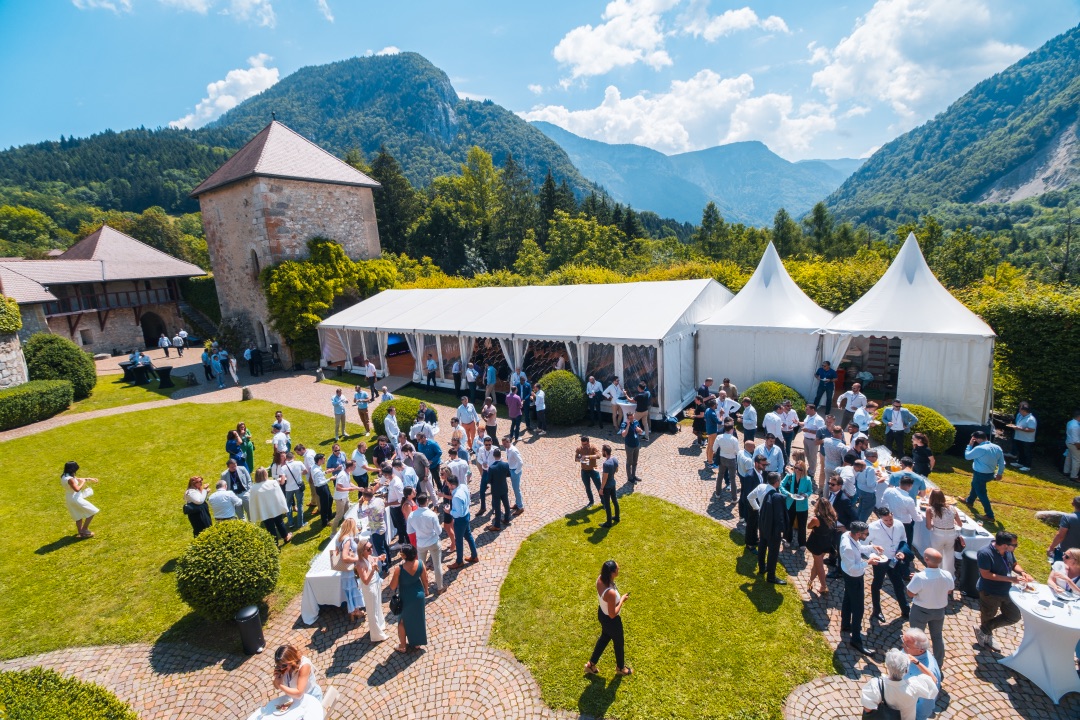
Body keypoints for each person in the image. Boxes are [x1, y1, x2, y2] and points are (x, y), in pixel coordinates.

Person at [974, 530, 1033, 652]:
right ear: (1005, 545)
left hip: (1007, 591)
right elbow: (986, 575)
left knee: (1013, 616)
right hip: (990, 592)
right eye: (1014, 545)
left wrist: (1022, 572)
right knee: (988, 615)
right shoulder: (985, 553)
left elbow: (1014, 564)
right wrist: (1011, 579)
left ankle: (984, 629)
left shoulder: (1008, 552)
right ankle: (987, 635)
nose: (1016, 547)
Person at [840, 520, 884, 655]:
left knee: (847, 599)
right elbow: (853, 568)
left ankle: (846, 624)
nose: (867, 535)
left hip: (850, 575)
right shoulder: (847, 547)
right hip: (853, 577)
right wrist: (868, 563)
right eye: (866, 534)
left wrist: (872, 547)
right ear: (858, 533)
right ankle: (856, 639)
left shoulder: (849, 535)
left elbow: (859, 548)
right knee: (859, 609)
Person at [859, 648, 939, 720]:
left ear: (888, 666)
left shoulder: (876, 685)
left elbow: (868, 709)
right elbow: (934, 680)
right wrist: (916, 662)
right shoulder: (914, 686)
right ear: (906, 671)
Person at [907, 548, 954, 669]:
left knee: (916, 638)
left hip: (920, 611)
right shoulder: (947, 575)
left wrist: (915, 580)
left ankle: (916, 661)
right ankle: (938, 663)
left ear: (926, 559)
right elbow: (949, 591)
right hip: (939, 611)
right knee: (937, 637)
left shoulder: (919, 577)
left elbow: (910, 593)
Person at [583, 560, 632, 676]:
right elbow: (612, 614)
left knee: (605, 637)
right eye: (617, 569)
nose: (618, 570)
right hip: (612, 621)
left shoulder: (600, 579)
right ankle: (621, 668)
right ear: (612, 572)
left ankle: (590, 665)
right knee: (619, 643)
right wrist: (622, 601)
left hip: (602, 614)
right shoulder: (610, 593)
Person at [868, 507, 911, 622]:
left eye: (891, 519)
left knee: (899, 584)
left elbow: (904, 540)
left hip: (894, 560)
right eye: (886, 520)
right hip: (881, 560)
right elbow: (864, 543)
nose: (889, 522)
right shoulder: (873, 527)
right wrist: (872, 556)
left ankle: (905, 609)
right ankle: (877, 611)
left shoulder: (899, 524)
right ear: (880, 518)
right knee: (877, 584)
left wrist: (901, 551)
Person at [389, 543, 429, 652]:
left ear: (404, 556)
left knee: (402, 621)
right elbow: (425, 579)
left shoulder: (399, 569)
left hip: (406, 598)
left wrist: (395, 575)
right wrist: (426, 590)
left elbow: (392, 586)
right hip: (419, 596)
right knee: (418, 619)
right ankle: (416, 643)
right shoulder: (420, 563)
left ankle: (402, 646)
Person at [963, 430, 1006, 523]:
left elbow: (967, 456)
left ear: (977, 439)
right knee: (975, 485)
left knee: (982, 494)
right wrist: (1000, 473)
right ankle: (969, 501)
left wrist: (970, 445)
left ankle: (990, 515)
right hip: (990, 474)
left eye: (974, 439)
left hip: (980, 474)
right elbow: (1002, 462)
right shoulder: (997, 447)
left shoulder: (980, 448)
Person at [408, 493, 444, 594]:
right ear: (427, 501)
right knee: (437, 565)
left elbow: (409, 531)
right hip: (433, 542)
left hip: (421, 544)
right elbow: (439, 531)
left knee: (421, 568)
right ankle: (440, 587)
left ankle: (425, 589)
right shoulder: (432, 515)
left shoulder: (412, 515)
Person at [757, 472, 788, 585]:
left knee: (762, 545)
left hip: (763, 525)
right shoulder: (777, 496)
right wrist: (782, 531)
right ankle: (771, 576)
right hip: (773, 529)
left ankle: (761, 568)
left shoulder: (766, 492)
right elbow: (780, 516)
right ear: (776, 482)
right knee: (773, 552)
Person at [925, 489, 963, 581]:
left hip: (938, 534)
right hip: (951, 535)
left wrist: (935, 524)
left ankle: (936, 574)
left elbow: (929, 527)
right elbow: (960, 524)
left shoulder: (930, 510)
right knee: (949, 555)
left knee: (936, 555)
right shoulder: (952, 508)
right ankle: (950, 575)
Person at [356, 539, 388, 641]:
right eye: (368, 549)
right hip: (370, 588)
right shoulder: (360, 564)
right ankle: (376, 635)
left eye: (371, 547)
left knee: (378, 607)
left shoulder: (368, 556)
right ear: (362, 552)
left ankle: (380, 626)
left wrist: (379, 558)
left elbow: (373, 558)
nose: (371, 550)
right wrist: (373, 570)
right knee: (372, 611)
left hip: (376, 585)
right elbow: (365, 581)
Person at [249, 467, 292, 544]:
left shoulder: (254, 488)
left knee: (270, 527)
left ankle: (275, 544)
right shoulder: (273, 483)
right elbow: (280, 495)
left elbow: (252, 502)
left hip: (264, 510)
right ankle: (285, 536)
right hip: (275, 508)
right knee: (280, 523)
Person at [446, 474, 479, 568]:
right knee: (468, 536)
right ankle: (474, 556)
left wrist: (449, 511)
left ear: (452, 485)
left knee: (459, 541)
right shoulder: (464, 486)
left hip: (460, 520)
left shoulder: (456, 496)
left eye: (448, 484)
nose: (447, 486)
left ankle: (459, 561)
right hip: (467, 514)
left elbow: (458, 513)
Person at [335, 517, 365, 621]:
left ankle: (353, 610)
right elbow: (344, 557)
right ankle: (355, 611)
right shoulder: (347, 539)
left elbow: (337, 553)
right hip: (349, 569)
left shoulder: (339, 538)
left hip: (344, 570)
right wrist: (357, 558)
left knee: (351, 591)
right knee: (354, 589)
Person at [806, 498, 837, 595]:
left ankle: (823, 586)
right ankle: (810, 581)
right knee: (817, 564)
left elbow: (809, 526)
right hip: (826, 542)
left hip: (816, 544)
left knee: (819, 566)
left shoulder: (816, 519)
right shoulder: (833, 516)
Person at [780, 460, 813, 548]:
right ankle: (788, 539)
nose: (797, 470)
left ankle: (802, 543)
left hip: (802, 505)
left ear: (804, 470)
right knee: (789, 523)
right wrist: (788, 494)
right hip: (790, 504)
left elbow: (810, 491)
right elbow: (781, 486)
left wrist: (805, 495)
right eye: (796, 468)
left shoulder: (807, 479)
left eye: (800, 469)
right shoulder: (790, 476)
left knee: (802, 525)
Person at [883, 476, 919, 547]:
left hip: (890, 519)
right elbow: (915, 517)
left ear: (900, 482)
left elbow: (883, 502)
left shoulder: (888, 490)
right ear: (910, 486)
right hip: (904, 524)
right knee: (906, 542)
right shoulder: (908, 500)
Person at [744, 455, 770, 549]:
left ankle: (755, 539)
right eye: (763, 465)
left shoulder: (762, 473)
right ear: (756, 463)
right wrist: (755, 507)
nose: (764, 466)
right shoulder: (750, 476)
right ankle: (749, 544)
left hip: (759, 503)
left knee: (756, 524)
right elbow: (747, 494)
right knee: (751, 525)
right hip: (752, 504)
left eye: (765, 465)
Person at [330, 461, 361, 532]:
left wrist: (358, 488)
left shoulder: (348, 472)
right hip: (340, 498)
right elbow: (338, 487)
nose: (355, 467)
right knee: (339, 516)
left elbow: (349, 482)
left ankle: (346, 528)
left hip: (345, 496)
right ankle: (333, 532)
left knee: (347, 513)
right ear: (349, 467)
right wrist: (349, 489)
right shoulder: (342, 475)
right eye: (354, 466)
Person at [486, 448, 512, 532]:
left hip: (496, 489)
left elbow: (489, 480)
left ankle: (497, 525)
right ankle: (507, 519)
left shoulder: (492, 467)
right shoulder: (506, 465)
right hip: (504, 487)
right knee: (506, 504)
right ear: (500, 455)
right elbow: (508, 474)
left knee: (497, 507)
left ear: (494, 456)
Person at [1048, 496, 1080, 561]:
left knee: (1058, 569)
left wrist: (1051, 547)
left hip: (1065, 553)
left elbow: (1060, 536)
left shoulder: (1068, 517)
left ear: (1072, 504)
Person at [713, 421, 740, 498]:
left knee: (720, 476)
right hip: (731, 459)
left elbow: (714, 449)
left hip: (722, 459)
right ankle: (734, 498)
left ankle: (718, 494)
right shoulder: (734, 439)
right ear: (731, 429)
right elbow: (738, 451)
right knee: (733, 479)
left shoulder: (719, 437)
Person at [1007, 401, 1037, 472]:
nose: (1019, 411)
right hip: (1019, 437)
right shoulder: (1022, 417)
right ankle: (1020, 463)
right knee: (1021, 451)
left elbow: (1032, 429)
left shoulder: (1031, 419)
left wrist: (1019, 428)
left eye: (1020, 410)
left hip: (1027, 440)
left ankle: (1027, 466)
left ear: (1024, 411)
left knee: (1027, 453)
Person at [500, 436, 525, 516]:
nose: (504, 446)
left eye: (505, 444)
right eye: (503, 444)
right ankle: (517, 503)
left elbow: (521, 462)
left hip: (514, 471)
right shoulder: (508, 449)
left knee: (516, 489)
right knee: (515, 489)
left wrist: (516, 472)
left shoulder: (513, 451)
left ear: (508, 442)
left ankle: (520, 507)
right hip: (512, 470)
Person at [801, 403, 826, 482]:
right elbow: (805, 424)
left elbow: (821, 432)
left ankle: (812, 473)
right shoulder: (808, 416)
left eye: (807, 409)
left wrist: (808, 430)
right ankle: (810, 469)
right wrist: (798, 422)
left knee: (812, 457)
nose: (806, 410)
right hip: (806, 439)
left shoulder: (819, 419)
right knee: (808, 455)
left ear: (812, 410)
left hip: (813, 441)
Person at [575, 435, 602, 507]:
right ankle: (591, 501)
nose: (584, 446)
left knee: (599, 486)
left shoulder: (593, 447)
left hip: (593, 470)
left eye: (585, 444)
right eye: (582, 444)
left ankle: (603, 502)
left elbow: (599, 455)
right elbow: (576, 459)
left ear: (588, 442)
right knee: (587, 487)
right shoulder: (579, 449)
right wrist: (580, 460)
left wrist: (588, 456)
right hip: (584, 471)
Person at [620, 410, 645, 484]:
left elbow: (641, 432)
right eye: (630, 418)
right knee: (629, 462)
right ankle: (630, 478)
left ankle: (634, 475)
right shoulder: (624, 424)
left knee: (635, 462)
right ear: (627, 418)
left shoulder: (636, 422)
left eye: (632, 418)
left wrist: (639, 430)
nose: (632, 419)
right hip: (629, 446)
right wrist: (628, 425)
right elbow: (623, 434)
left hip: (636, 444)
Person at [599, 444, 620, 528]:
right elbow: (617, 470)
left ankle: (608, 523)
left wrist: (601, 488)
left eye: (602, 451)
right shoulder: (615, 459)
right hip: (613, 483)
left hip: (607, 487)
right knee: (615, 500)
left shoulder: (606, 463)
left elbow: (605, 478)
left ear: (605, 452)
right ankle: (617, 517)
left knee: (607, 504)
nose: (602, 452)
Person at [778, 400, 800, 464]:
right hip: (782, 432)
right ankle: (780, 460)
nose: (790, 407)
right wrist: (781, 424)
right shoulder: (780, 412)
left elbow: (797, 421)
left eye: (791, 405)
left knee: (788, 447)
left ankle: (787, 460)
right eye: (788, 406)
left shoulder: (793, 412)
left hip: (790, 432)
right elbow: (776, 422)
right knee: (780, 446)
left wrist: (792, 426)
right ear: (783, 406)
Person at [703, 399, 721, 468]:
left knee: (709, 445)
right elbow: (719, 422)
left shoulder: (707, 410)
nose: (717, 405)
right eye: (716, 404)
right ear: (713, 405)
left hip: (709, 430)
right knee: (711, 446)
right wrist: (721, 415)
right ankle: (710, 462)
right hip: (713, 431)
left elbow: (705, 418)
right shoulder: (712, 413)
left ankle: (708, 458)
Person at [1065, 410, 1080, 481]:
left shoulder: (1070, 422)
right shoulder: (1076, 426)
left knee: (1068, 457)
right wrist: (1078, 447)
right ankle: (1074, 476)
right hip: (1074, 444)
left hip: (1068, 442)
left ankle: (1066, 471)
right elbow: (1076, 439)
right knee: (1077, 460)